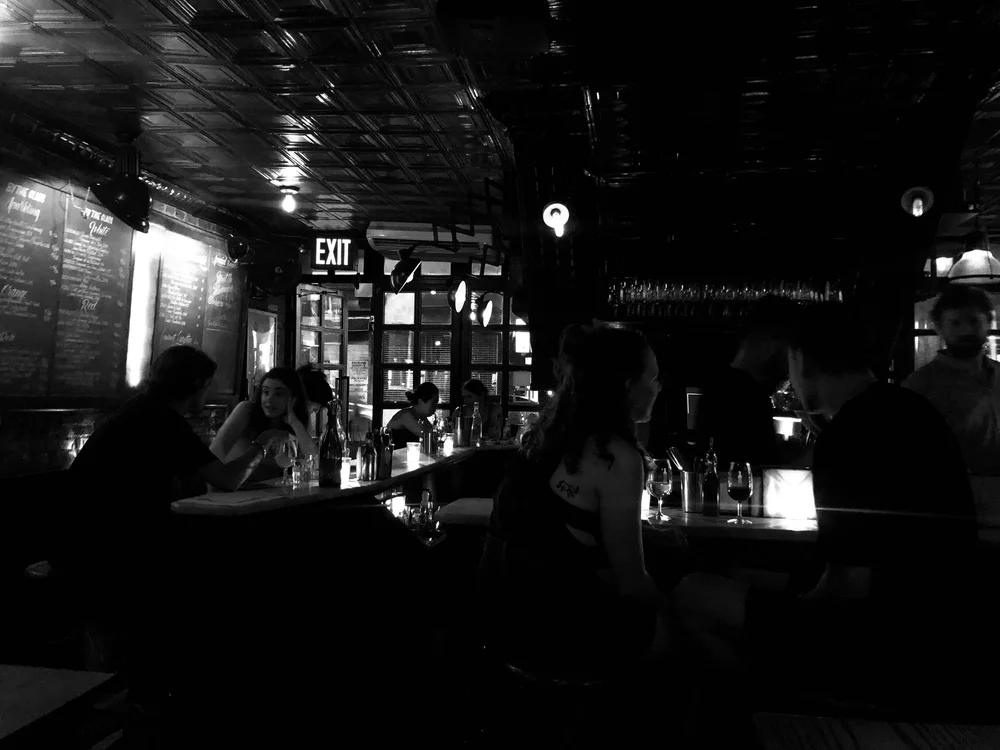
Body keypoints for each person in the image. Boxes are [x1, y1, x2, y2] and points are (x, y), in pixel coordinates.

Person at [674, 303, 979, 716]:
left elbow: (846, 588)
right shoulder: (911, 408)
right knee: (724, 577)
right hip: (948, 635)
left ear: (799, 359)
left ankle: (781, 710)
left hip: (878, 646)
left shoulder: (847, 434)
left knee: (692, 592)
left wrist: (788, 613)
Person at [67, 346, 289, 706]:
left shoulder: (143, 411)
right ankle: (142, 703)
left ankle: (138, 697)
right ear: (196, 384)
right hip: (108, 551)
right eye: (208, 385)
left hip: (90, 538)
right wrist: (262, 445)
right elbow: (227, 479)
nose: (208, 393)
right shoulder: (163, 421)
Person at [483, 321, 670, 674]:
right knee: (694, 637)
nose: (659, 387)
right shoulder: (615, 456)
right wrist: (676, 611)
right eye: (654, 377)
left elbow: (558, 530)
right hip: (570, 635)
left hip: (509, 625)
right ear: (628, 387)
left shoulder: (544, 440)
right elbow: (631, 584)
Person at [903, 284, 1000, 474]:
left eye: (973, 321)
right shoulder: (921, 385)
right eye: (955, 323)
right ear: (939, 328)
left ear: (988, 322)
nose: (966, 330)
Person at [695, 295, 799, 467]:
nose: (792, 360)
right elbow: (759, 469)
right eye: (790, 349)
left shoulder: (723, 384)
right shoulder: (745, 394)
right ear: (770, 341)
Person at [210, 367, 316, 481]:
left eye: (278, 394)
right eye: (265, 392)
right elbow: (216, 451)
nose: (269, 399)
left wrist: (294, 422)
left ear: (293, 399)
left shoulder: (296, 424)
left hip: (266, 490)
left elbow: (313, 460)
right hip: (230, 486)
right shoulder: (247, 410)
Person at [385, 381, 439, 449]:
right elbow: (428, 436)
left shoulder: (420, 416)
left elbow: (434, 437)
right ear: (420, 401)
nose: (436, 406)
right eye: (433, 402)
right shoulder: (405, 416)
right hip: (392, 455)